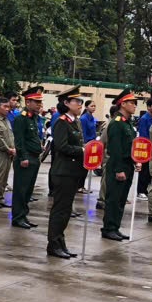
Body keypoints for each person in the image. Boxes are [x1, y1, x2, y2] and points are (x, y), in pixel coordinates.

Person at [46, 88, 85, 259]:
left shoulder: (75, 121)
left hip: (73, 171)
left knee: (66, 210)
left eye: (81, 102)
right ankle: (53, 244)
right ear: (66, 103)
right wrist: (82, 150)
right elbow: (61, 146)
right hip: (63, 171)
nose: (80, 105)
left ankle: (60, 242)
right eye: (76, 102)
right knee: (60, 210)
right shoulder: (61, 122)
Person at [100, 87, 138, 240]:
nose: (135, 105)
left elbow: (130, 145)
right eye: (132, 103)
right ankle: (108, 228)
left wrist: (136, 161)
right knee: (114, 199)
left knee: (121, 199)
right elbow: (115, 149)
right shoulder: (117, 123)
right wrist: (119, 169)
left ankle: (115, 227)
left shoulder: (127, 123)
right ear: (123, 104)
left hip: (127, 165)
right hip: (118, 166)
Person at [11, 86, 44, 229]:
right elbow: (19, 141)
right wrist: (23, 157)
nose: (39, 105)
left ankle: (23, 215)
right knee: (21, 189)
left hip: (35, 157)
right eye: (36, 102)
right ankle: (17, 217)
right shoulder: (21, 119)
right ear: (28, 102)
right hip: (25, 159)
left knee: (28, 190)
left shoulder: (35, 118)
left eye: (39, 102)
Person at [136, 99, 152, 199]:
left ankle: (145, 190)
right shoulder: (145, 118)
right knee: (144, 170)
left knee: (149, 171)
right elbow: (144, 135)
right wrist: (147, 147)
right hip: (146, 147)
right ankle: (140, 191)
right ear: (148, 107)